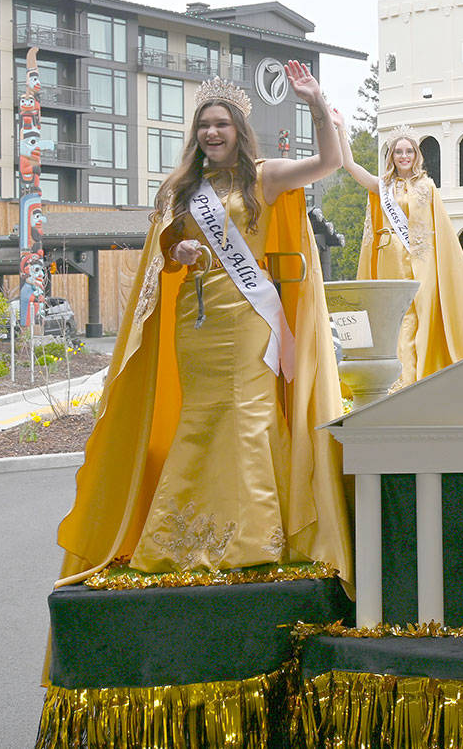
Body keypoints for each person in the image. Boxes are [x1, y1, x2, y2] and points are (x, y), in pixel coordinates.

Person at [56, 63, 352, 588]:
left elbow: (329, 162)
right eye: (204, 125)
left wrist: (313, 101)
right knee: (202, 418)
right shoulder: (181, 188)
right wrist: (178, 250)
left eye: (221, 124)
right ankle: (185, 538)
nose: (211, 133)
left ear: (238, 130)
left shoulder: (264, 176)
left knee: (246, 416)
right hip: (196, 325)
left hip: (248, 320)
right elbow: (162, 253)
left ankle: (253, 538)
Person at [334, 113, 463, 388]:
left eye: (409, 151)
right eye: (398, 151)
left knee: (422, 317)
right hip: (389, 262)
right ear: (392, 155)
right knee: (396, 319)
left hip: (421, 263)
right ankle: (400, 382)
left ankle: (418, 380)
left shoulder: (427, 187)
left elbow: (440, 230)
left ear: (416, 155)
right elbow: (349, 165)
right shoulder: (382, 186)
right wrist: (340, 129)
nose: (404, 156)